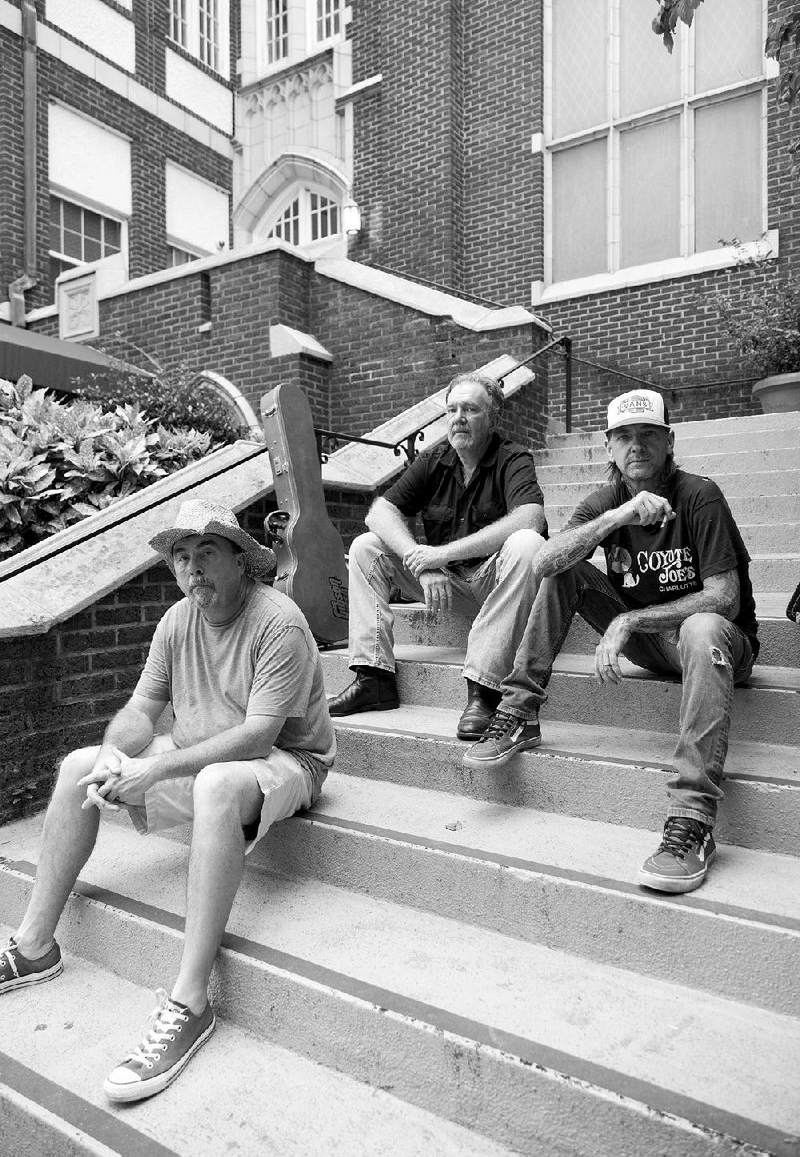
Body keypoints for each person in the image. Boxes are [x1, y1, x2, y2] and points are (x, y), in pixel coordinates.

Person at [0, 499, 335, 1101]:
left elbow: (259, 736)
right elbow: (140, 712)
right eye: (181, 557)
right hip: (203, 756)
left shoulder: (277, 620)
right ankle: (33, 947)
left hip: (289, 762)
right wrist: (113, 755)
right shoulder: (176, 620)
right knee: (78, 766)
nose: (192, 569)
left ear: (241, 560)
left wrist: (153, 769)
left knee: (215, 783)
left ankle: (190, 1001)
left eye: (207, 552)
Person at [464, 389, 759, 894]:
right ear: (608, 447)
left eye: (648, 435)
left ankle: (693, 820)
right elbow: (543, 563)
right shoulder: (608, 502)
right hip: (656, 645)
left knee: (701, 625)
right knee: (565, 569)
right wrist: (616, 519)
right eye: (624, 436)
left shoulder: (698, 496)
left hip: (720, 646)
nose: (636, 446)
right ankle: (518, 711)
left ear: (670, 441)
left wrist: (629, 622)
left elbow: (725, 600)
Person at [327, 372, 548, 739]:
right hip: (443, 585)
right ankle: (374, 678)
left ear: (492, 418)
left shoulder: (513, 458)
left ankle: (484, 691)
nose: (458, 417)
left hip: (496, 584)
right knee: (366, 546)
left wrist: (440, 554)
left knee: (528, 543)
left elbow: (531, 517)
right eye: (452, 409)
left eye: (471, 409)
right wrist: (419, 559)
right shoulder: (434, 459)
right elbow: (379, 512)